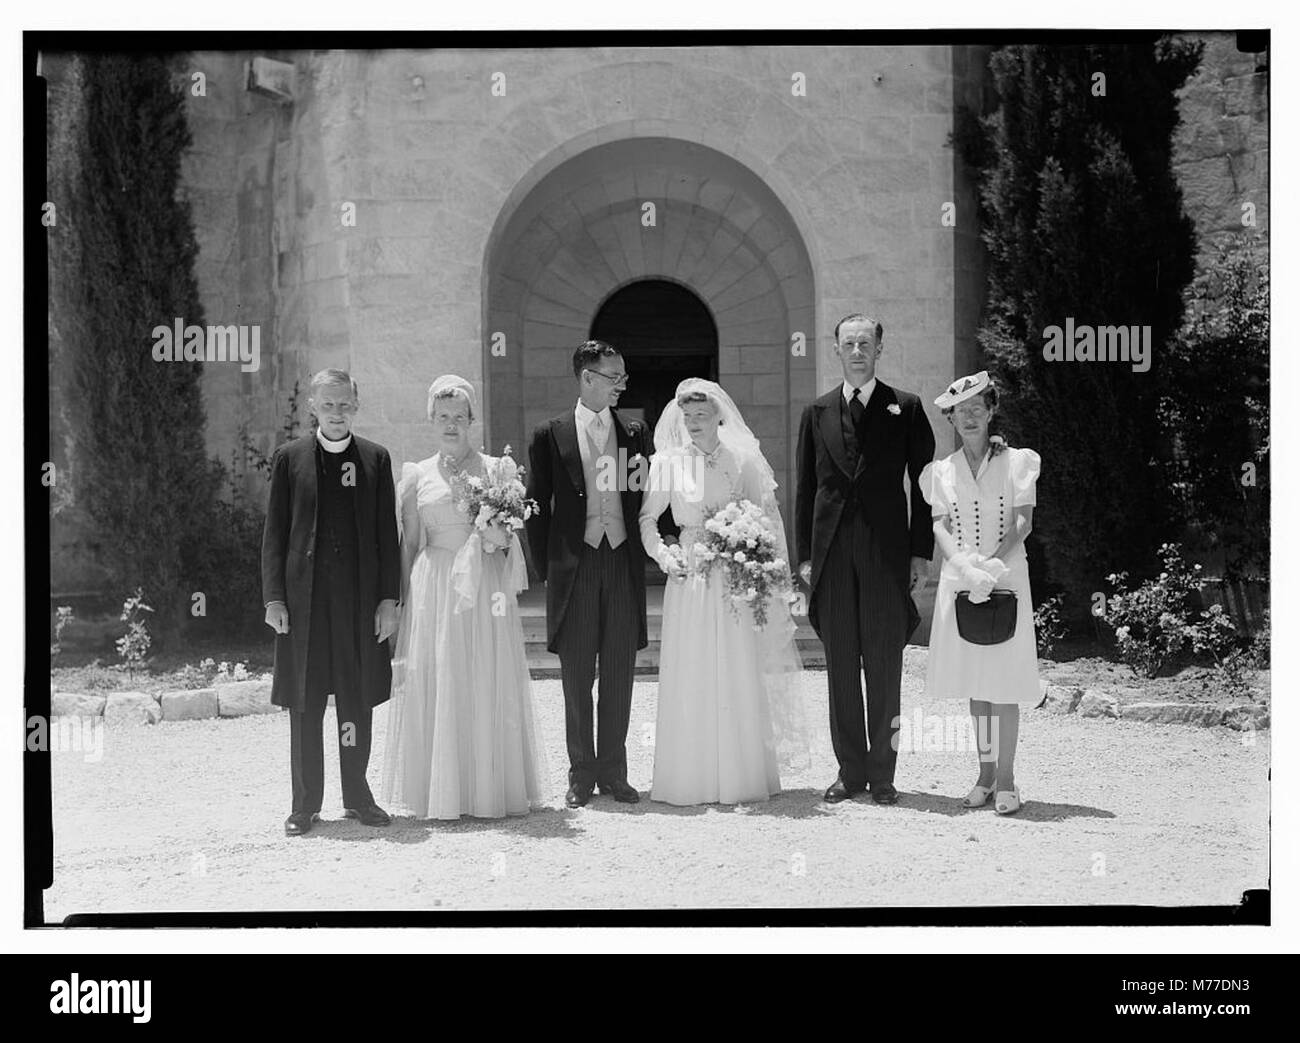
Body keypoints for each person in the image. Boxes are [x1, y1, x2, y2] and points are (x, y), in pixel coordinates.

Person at [381, 376, 547, 820]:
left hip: (485, 583)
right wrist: (398, 600)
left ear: (472, 420)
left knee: (485, 673)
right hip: (435, 582)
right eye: (443, 417)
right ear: (431, 420)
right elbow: (410, 543)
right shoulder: (417, 475)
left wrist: (497, 533)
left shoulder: (496, 470)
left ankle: (489, 787)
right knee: (441, 676)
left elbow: (513, 540)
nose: (451, 424)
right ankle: (445, 789)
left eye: (459, 416)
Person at [638, 379, 809, 805]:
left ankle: (740, 775)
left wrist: (765, 568)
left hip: (735, 580)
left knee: (735, 669)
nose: (694, 423)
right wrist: (664, 554)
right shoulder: (667, 463)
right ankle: (690, 777)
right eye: (687, 416)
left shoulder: (744, 460)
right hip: (691, 577)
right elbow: (647, 518)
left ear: (719, 417)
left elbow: (767, 518)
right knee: (693, 668)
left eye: (701, 415)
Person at [795, 313, 936, 805]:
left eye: (865, 343)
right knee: (839, 667)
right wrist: (805, 559)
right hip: (831, 555)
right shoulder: (816, 412)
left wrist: (921, 552)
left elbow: (924, 489)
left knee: (884, 666)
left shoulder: (908, 408)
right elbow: (806, 490)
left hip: (885, 552)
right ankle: (849, 772)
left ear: (879, 348)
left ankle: (883, 775)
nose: (857, 350)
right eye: (848, 343)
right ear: (836, 350)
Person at [261, 369, 401, 837]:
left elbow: (387, 537)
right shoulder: (290, 458)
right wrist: (274, 598)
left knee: (356, 701)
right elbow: (275, 535)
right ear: (313, 407)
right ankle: (304, 805)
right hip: (303, 607)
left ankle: (358, 797)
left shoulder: (376, 460)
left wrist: (388, 600)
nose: (337, 412)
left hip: (358, 606)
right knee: (304, 703)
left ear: (355, 406)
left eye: (345, 404)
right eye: (328, 404)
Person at [525, 340, 651, 808]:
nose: (622, 384)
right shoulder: (550, 433)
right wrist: (547, 569)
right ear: (586, 378)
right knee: (576, 677)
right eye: (613, 376)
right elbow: (536, 506)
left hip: (620, 562)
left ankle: (614, 772)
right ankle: (580, 773)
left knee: (619, 671)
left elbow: (639, 494)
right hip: (574, 567)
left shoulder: (635, 431)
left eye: (623, 377)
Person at [920, 371, 1040, 815]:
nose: (968, 418)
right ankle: (985, 776)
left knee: (1004, 683)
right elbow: (939, 524)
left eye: (976, 409)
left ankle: (1008, 779)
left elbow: (1024, 519)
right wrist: (962, 566)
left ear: (991, 411)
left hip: (1007, 576)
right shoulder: (943, 471)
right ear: (951, 419)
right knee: (977, 686)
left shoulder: (1017, 462)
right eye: (959, 412)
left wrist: (992, 560)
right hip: (963, 581)